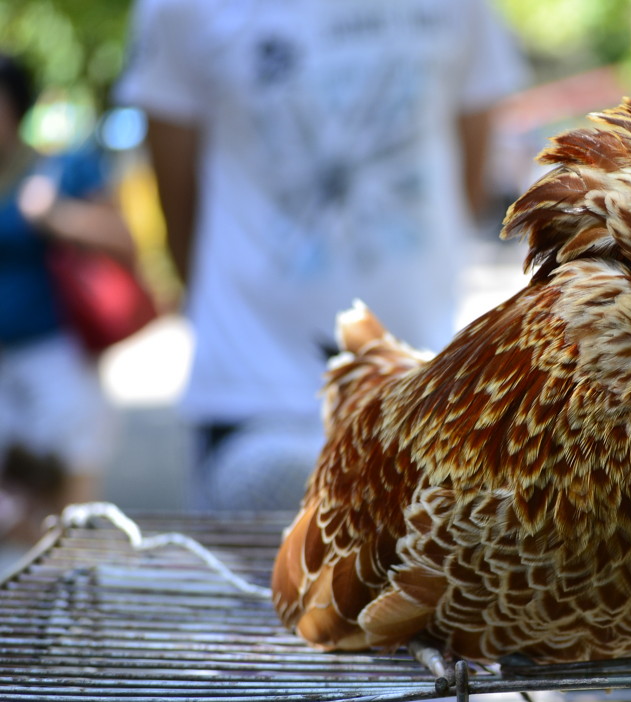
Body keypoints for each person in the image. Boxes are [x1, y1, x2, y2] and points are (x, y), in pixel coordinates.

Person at [115, 0, 528, 511]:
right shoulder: (182, 10)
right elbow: (177, 205)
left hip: (421, 390)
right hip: (253, 391)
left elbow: (467, 175)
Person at [0, 52, 135, 554]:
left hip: (59, 356)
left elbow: (124, 240)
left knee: (69, 500)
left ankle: (68, 594)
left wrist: (55, 216)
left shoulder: (61, 171)